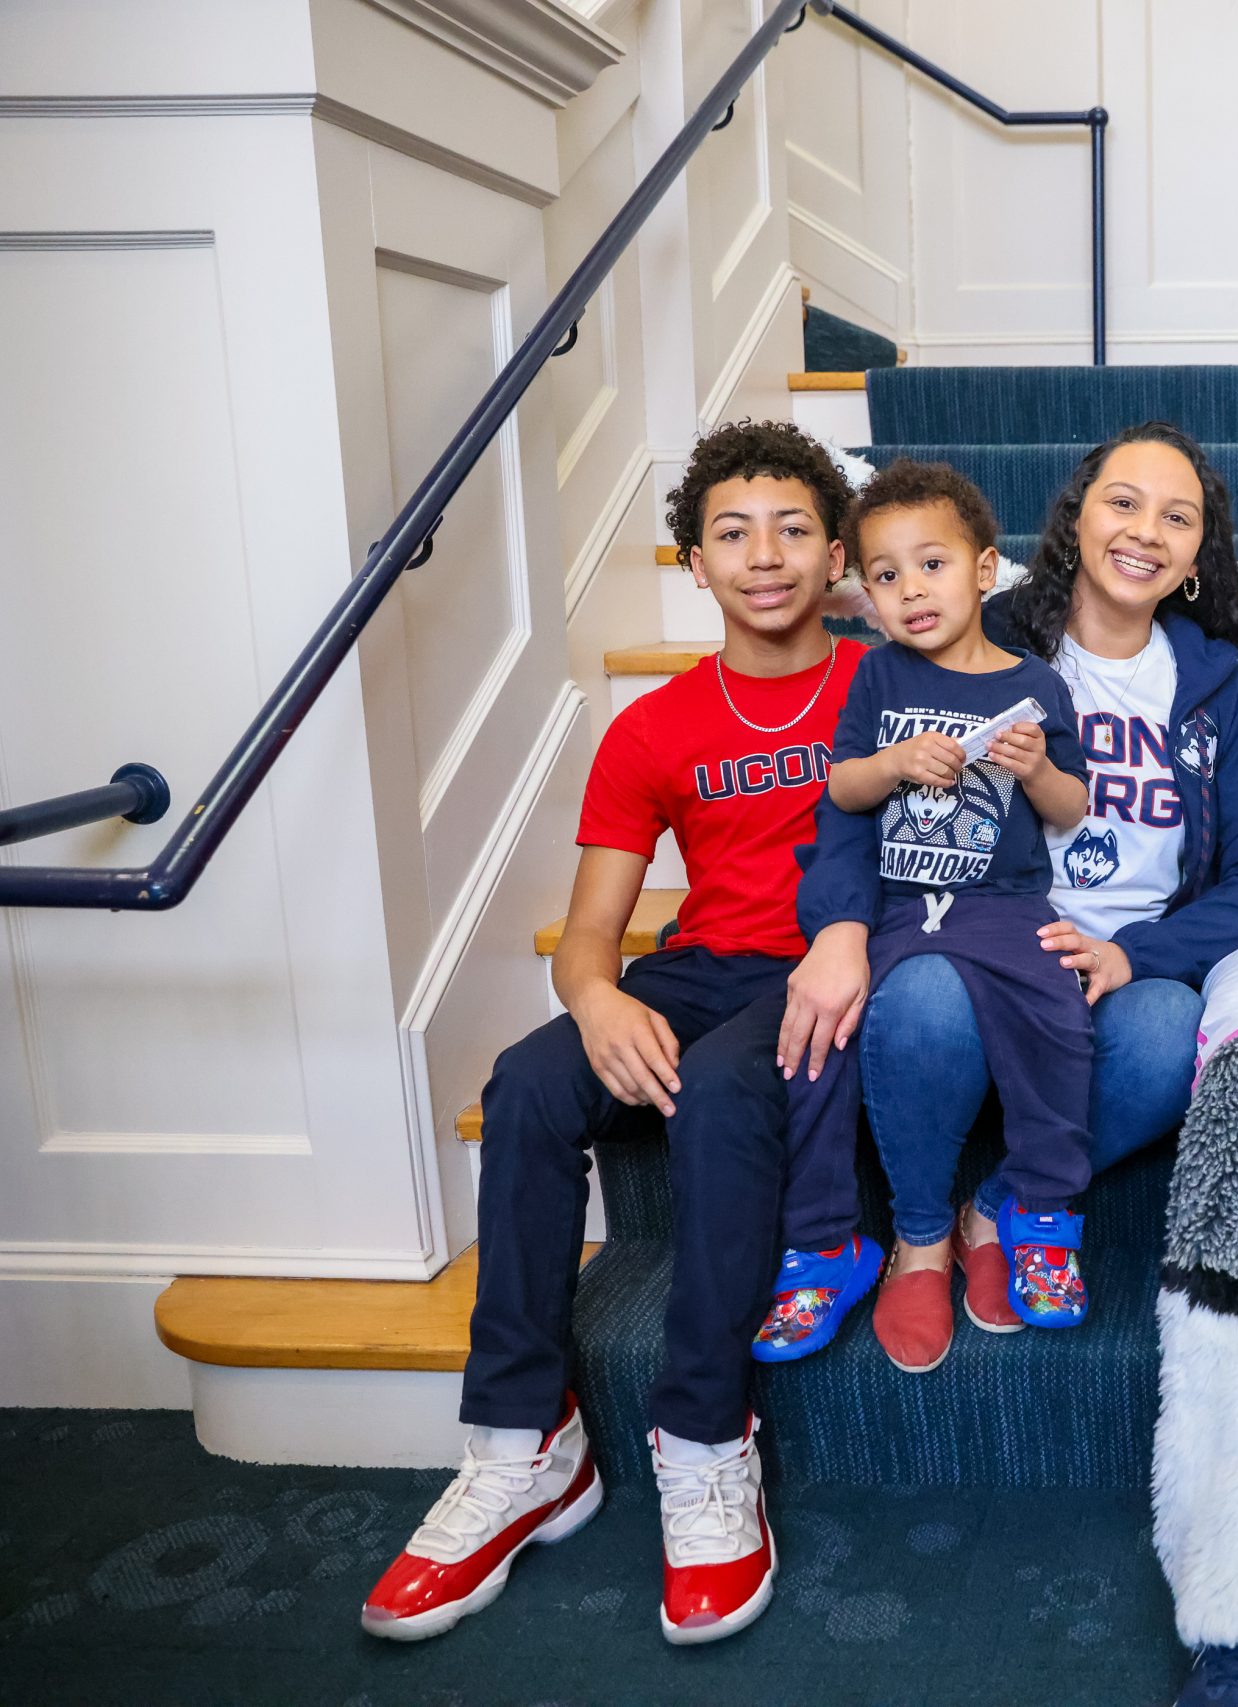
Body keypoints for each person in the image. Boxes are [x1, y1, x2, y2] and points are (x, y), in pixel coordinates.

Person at [361, 420, 869, 1646]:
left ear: (837, 551)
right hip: (697, 965)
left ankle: (704, 1437)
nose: (764, 557)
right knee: (529, 1085)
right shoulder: (652, 729)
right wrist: (593, 999)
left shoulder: (882, 678)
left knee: (731, 1092)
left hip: (831, 970)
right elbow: (592, 932)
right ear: (692, 562)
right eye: (731, 534)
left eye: (794, 529)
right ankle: (526, 1439)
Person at [782, 422, 1238, 1376]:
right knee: (928, 994)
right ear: (1077, 517)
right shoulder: (976, 631)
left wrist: (1136, 952)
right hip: (964, 934)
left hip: (1111, 964)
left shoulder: (1222, 686)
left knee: (1169, 1028)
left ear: (1195, 555)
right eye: (1123, 501)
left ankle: (1007, 1202)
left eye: (1176, 517)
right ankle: (924, 1238)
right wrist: (841, 928)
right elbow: (858, 796)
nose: (1145, 530)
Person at [781, 459, 1093, 1371]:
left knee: (1059, 1020)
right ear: (866, 594)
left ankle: (1038, 1209)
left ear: (986, 570)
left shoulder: (1036, 683)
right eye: (885, 575)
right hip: (901, 904)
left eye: (933, 565)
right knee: (840, 1030)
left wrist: (1034, 770)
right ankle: (864, 1236)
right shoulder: (876, 680)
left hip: (1005, 901)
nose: (910, 590)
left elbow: (1073, 808)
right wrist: (894, 765)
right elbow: (840, 787)